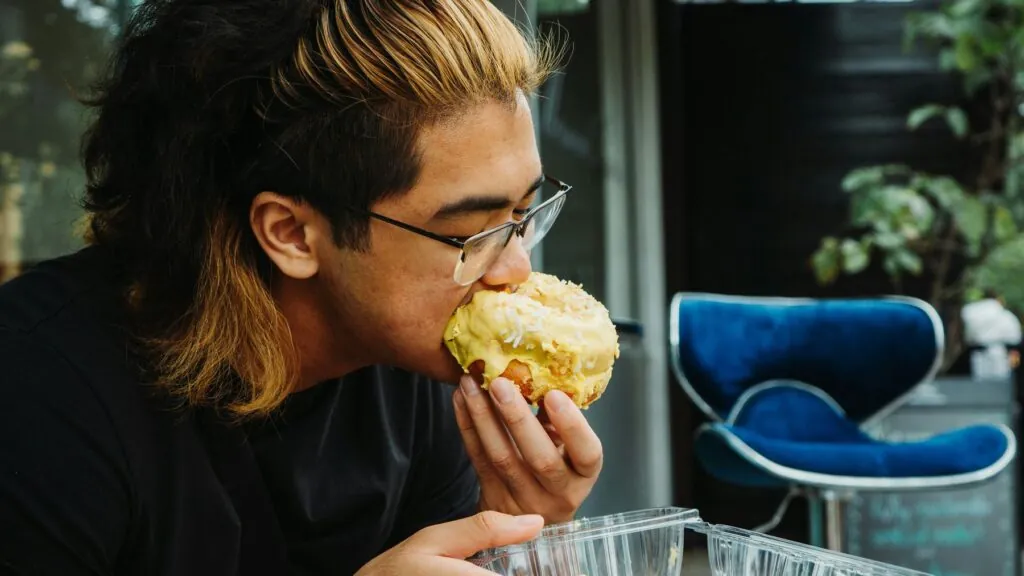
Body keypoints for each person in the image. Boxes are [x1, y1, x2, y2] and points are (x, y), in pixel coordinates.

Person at [0, 1, 604, 574]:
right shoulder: (39, 395)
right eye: (473, 232)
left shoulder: (419, 376)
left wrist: (518, 541)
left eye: (524, 215)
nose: (516, 270)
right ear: (290, 234)